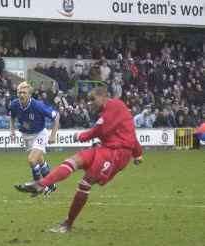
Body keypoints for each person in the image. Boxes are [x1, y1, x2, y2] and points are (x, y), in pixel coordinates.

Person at [15, 87, 143, 233]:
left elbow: (100, 130)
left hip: (116, 155)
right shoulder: (112, 111)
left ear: (103, 97)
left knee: (85, 183)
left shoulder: (114, 106)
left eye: (92, 99)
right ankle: (41, 184)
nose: (90, 103)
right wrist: (138, 154)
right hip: (105, 149)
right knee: (73, 160)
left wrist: (81, 136)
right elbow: (130, 132)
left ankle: (68, 224)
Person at [11, 82, 60, 196]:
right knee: (40, 161)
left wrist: (53, 135)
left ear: (29, 95)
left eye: (24, 92)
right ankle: (51, 185)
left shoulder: (38, 105)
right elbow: (12, 117)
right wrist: (12, 131)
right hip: (26, 135)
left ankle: (38, 185)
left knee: (32, 160)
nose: (21, 95)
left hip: (39, 134)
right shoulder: (14, 104)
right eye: (19, 92)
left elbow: (56, 116)